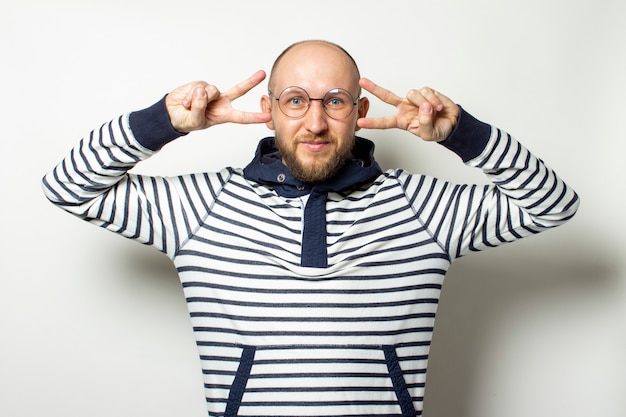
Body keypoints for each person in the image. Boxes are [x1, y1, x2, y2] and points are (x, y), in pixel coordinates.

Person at [42, 40, 579, 417]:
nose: (315, 122)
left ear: (360, 110)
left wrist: (462, 134)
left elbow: (552, 205)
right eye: (295, 100)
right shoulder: (201, 206)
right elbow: (66, 185)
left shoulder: (421, 207)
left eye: (335, 102)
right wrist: (165, 123)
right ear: (269, 110)